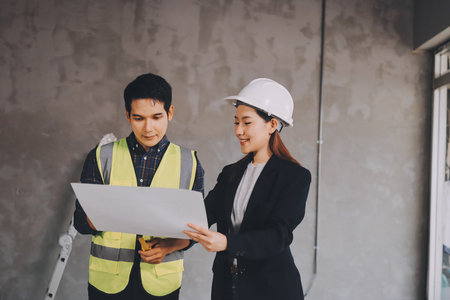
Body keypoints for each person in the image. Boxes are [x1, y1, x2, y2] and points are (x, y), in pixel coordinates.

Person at [73, 73, 204, 300]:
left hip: (161, 282)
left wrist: (166, 248)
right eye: (139, 118)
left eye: (156, 117)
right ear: (127, 116)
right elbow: (80, 222)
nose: (148, 128)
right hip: (107, 282)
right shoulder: (100, 156)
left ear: (169, 113)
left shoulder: (189, 163)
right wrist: (97, 217)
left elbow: (196, 231)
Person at [184, 78, 311, 300]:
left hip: (271, 289)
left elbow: (277, 236)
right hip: (227, 286)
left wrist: (226, 243)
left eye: (246, 122)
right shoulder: (231, 173)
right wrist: (174, 242)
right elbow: (203, 215)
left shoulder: (295, 177)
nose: (238, 131)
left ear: (272, 125)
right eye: (236, 122)